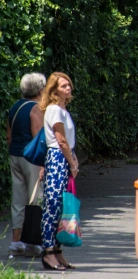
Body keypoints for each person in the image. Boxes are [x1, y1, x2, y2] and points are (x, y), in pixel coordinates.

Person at [40, 72, 78, 271]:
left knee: (61, 207)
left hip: (63, 157)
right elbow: (60, 140)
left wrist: (73, 159)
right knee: (52, 207)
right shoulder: (54, 110)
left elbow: (67, 142)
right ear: (54, 90)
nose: (68, 88)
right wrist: (72, 164)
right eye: (63, 86)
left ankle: (57, 250)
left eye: (69, 85)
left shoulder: (63, 109)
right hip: (57, 159)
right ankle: (48, 253)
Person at [5, 73, 46, 258]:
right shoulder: (36, 108)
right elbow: (38, 137)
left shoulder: (14, 107)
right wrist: (44, 163)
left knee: (18, 198)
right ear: (40, 90)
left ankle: (15, 241)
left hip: (15, 155)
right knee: (35, 199)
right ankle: (32, 242)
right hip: (31, 159)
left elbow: (8, 136)